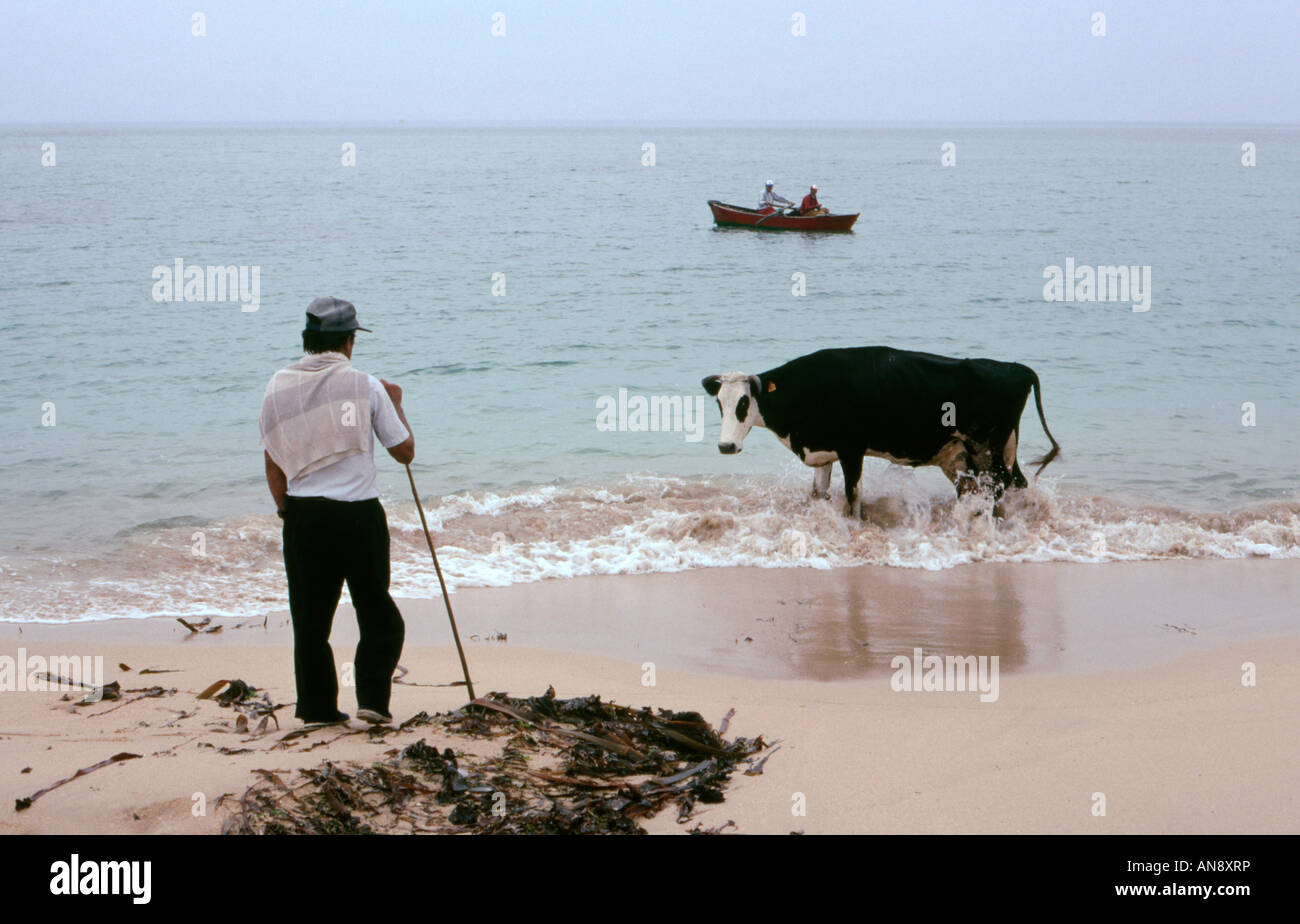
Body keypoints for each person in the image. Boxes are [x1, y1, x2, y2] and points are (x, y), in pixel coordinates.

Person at [259, 297, 415, 726]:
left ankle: (316, 709)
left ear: (310, 340)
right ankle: (372, 702)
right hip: (358, 518)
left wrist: (287, 513)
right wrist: (397, 401)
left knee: (310, 622)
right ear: (349, 341)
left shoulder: (278, 386)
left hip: (304, 519)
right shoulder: (368, 386)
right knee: (378, 614)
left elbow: (273, 461)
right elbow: (404, 452)